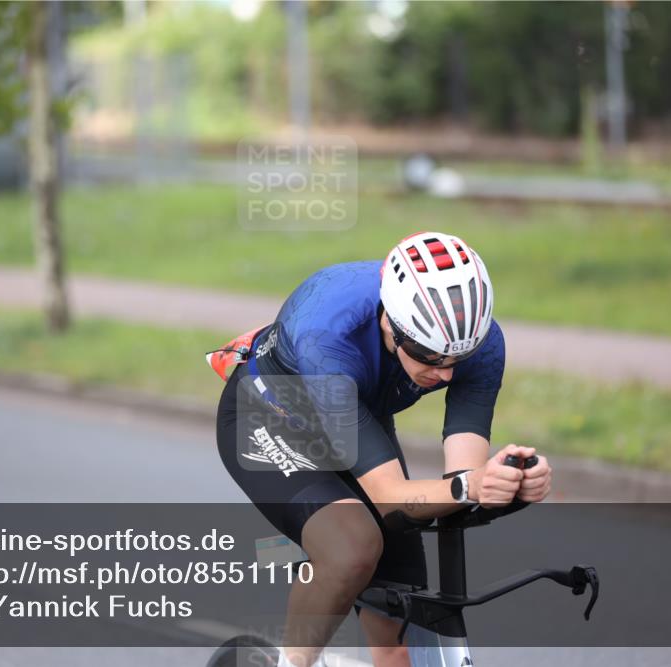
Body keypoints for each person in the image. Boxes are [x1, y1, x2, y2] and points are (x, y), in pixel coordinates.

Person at [210, 232, 552, 667]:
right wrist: (471, 486)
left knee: (399, 637)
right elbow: (393, 495)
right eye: (429, 356)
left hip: (356, 415)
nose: (444, 374)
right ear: (390, 323)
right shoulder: (328, 336)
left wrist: (510, 480)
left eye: (456, 360)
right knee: (353, 546)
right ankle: (292, 663)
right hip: (268, 415)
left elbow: (458, 486)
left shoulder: (479, 342)